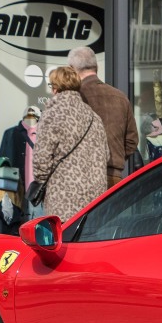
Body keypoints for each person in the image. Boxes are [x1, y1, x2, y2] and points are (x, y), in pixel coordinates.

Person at [33, 67, 108, 220]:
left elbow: (42, 161)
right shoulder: (94, 117)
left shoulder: (51, 115)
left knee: (64, 241)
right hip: (94, 200)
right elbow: (105, 155)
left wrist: (41, 182)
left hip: (63, 198)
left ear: (55, 88)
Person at [68, 46, 138, 186]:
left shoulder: (73, 97)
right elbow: (132, 141)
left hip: (81, 179)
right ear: (96, 67)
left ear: (71, 69)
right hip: (113, 179)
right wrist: (115, 158)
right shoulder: (120, 97)